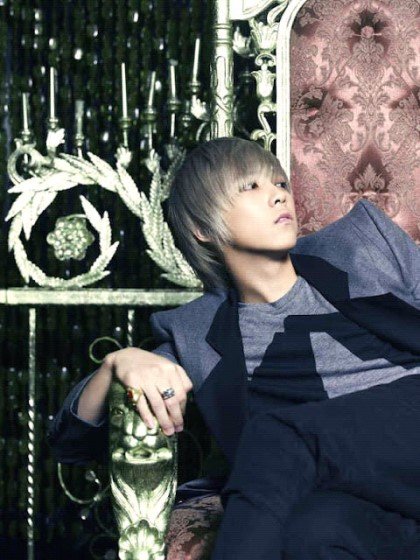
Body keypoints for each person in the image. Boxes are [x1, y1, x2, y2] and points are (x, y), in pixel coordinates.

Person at [47, 137, 420, 559]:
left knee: (277, 434)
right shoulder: (196, 333)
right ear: (203, 229)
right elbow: (70, 445)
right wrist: (116, 363)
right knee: (312, 532)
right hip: (369, 494)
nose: (278, 194)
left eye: (280, 183)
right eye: (251, 187)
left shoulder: (363, 244)